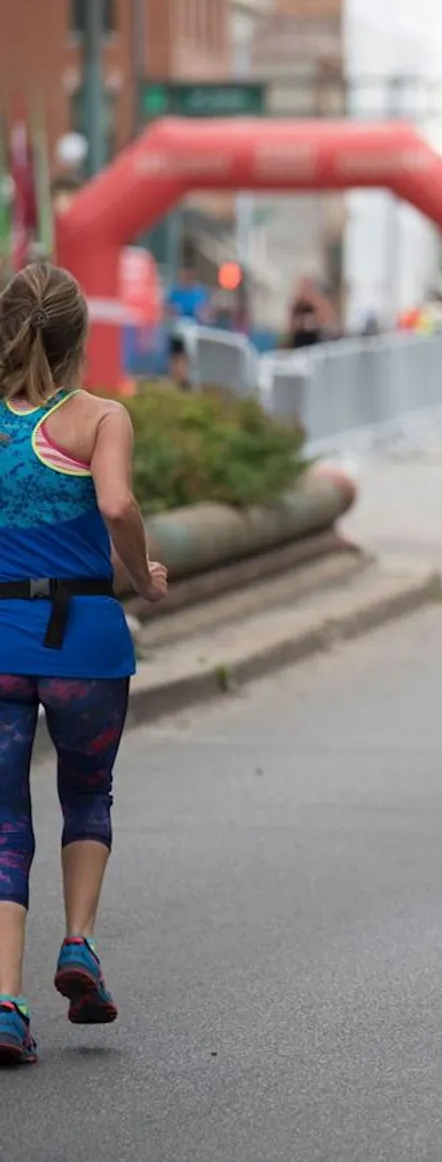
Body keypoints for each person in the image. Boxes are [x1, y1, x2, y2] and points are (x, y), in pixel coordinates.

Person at [0, 264, 170, 1067]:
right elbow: (114, 505)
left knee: (3, 823)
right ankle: (78, 945)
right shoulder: (100, 417)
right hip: (85, 641)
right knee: (85, 794)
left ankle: (5, 1003)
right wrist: (141, 572)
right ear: (80, 337)